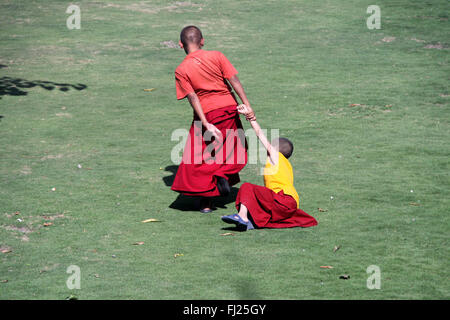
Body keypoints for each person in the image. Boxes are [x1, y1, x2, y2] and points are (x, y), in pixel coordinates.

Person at [171, 26, 252, 213]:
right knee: (230, 149)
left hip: (207, 114)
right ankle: (222, 174)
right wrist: (247, 105)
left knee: (200, 156)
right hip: (228, 109)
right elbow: (235, 81)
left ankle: (206, 203)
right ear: (202, 41)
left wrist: (205, 123)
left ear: (180, 44)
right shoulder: (217, 56)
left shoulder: (181, 69)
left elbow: (193, 97)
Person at [221, 104, 318, 231]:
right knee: (259, 197)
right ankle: (250, 223)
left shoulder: (276, 156)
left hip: (283, 200)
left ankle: (242, 217)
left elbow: (260, 134)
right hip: (289, 203)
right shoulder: (285, 165)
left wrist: (251, 118)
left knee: (247, 187)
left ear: (275, 148)